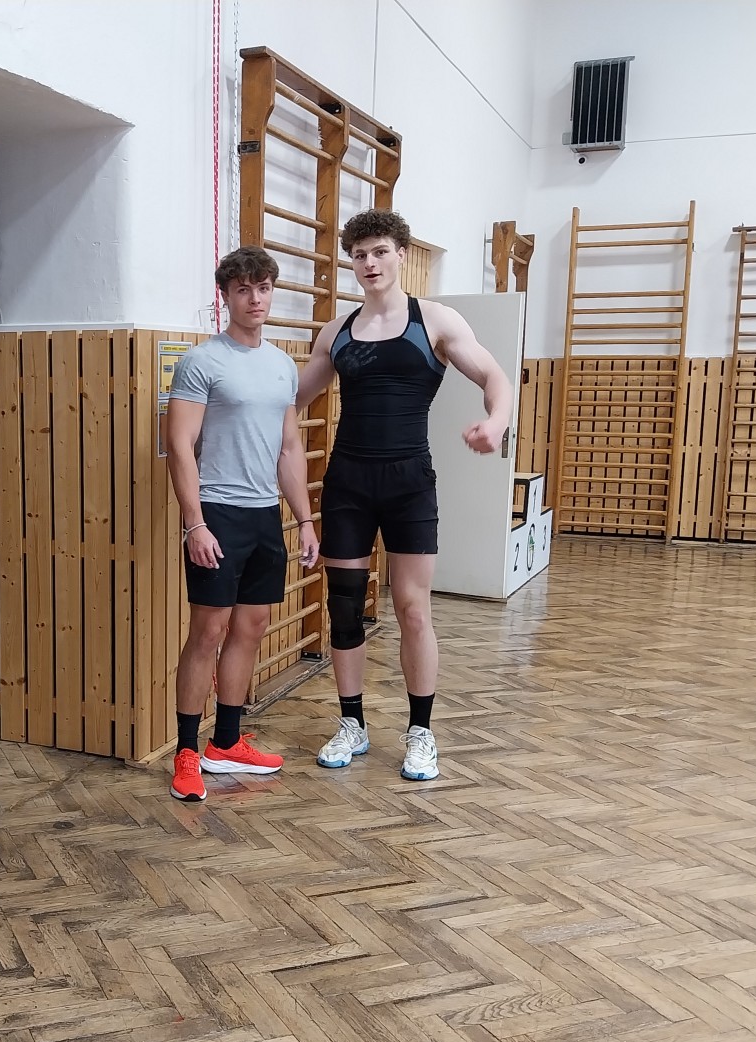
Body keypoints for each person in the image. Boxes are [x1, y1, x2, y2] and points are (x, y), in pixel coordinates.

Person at [297, 209, 512, 781]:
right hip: (348, 481)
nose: (369, 263)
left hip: (409, 482)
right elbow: (290, 398)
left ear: (400, 254)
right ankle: (352, 723)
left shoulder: (435, 320)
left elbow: (496, 378)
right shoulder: (336, 332)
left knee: (413, 608)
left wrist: (496, 423)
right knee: (344, 606)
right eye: (359, 255)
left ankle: (421, 732)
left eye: (379, 252)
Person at [166, 246, 320, 803]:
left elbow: (289, 448)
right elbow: (179, 445)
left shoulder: (282, 365)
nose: (255, 299)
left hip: (264, 517)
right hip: (218, 514)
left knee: (251, 629)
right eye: (243, 289)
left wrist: (304, 520)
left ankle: (226, 743)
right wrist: (194, 524)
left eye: (263, 288)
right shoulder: (202, 362)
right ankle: (187, 752)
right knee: (207, 633)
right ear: (226, 296)